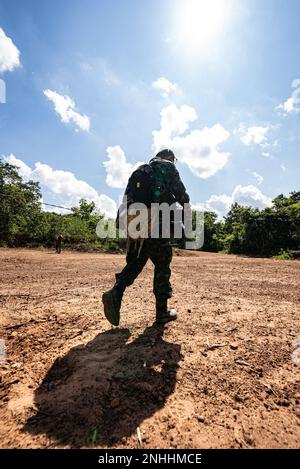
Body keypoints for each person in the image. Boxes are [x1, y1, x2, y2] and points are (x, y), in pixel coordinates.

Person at [102, 149, 190, 326]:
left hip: (136, 222)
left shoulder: (139, 171)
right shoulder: (168, 167)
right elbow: (182, 195)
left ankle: (116, 292)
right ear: (170, 158)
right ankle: (162, 312)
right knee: (162, 264)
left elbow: (127, 199)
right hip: (157, 221)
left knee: (137, 261)